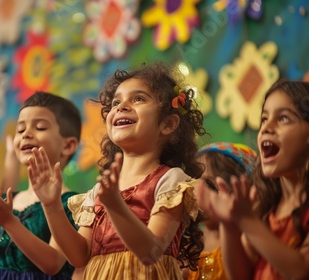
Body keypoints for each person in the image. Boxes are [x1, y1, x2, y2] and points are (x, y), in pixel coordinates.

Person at [29, 62, 206, 278]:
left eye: (138, 98)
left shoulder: (171, 180)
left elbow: (151, 252)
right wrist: (52, 205)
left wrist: (116, 207)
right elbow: (79, 256)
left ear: (167, 124)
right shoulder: (100, 191)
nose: (121, 106)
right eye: (116, 102)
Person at [197, 80, 309, 279]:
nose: (266, 127)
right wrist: (229, 224)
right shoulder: (267, 206)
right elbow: (240, 275)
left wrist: (246, 220)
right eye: (264, 119)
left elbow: (301, 270)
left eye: (284, 118)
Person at [0, 92, 82, 279]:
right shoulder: (8, 201)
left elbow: (53, 264)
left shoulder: (73, 203)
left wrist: (9, 221)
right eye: (20, 130)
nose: (26, 134)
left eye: (40, 127)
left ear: (68, 146)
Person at [186, 142, 256, 280]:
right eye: (193, 182)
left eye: (209, 185)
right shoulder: (190, 240)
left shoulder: (246, 241)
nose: (197, 192)